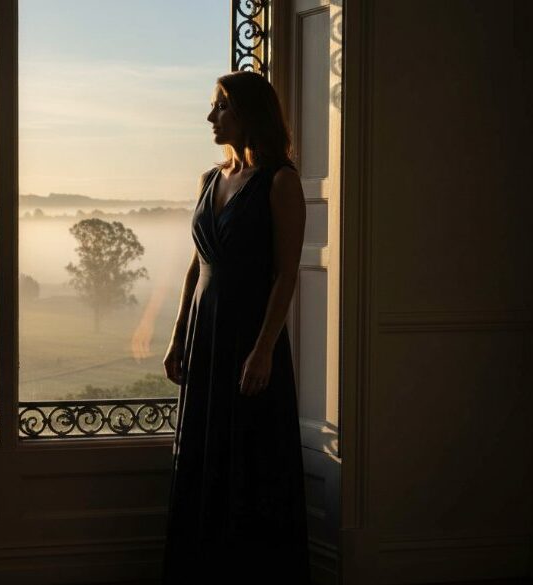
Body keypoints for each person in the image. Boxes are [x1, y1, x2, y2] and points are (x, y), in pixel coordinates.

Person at [161, 70, 311, 583]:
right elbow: (196, 263)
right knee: (206, 453)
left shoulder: (280, 182)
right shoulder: (210, 180)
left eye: (220, 106)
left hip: (250, 337)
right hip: (205, 333)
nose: (210, 116)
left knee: (251, 458)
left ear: (248, 114)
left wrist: (264, 348)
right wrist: (179, 332)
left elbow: (287, 272)